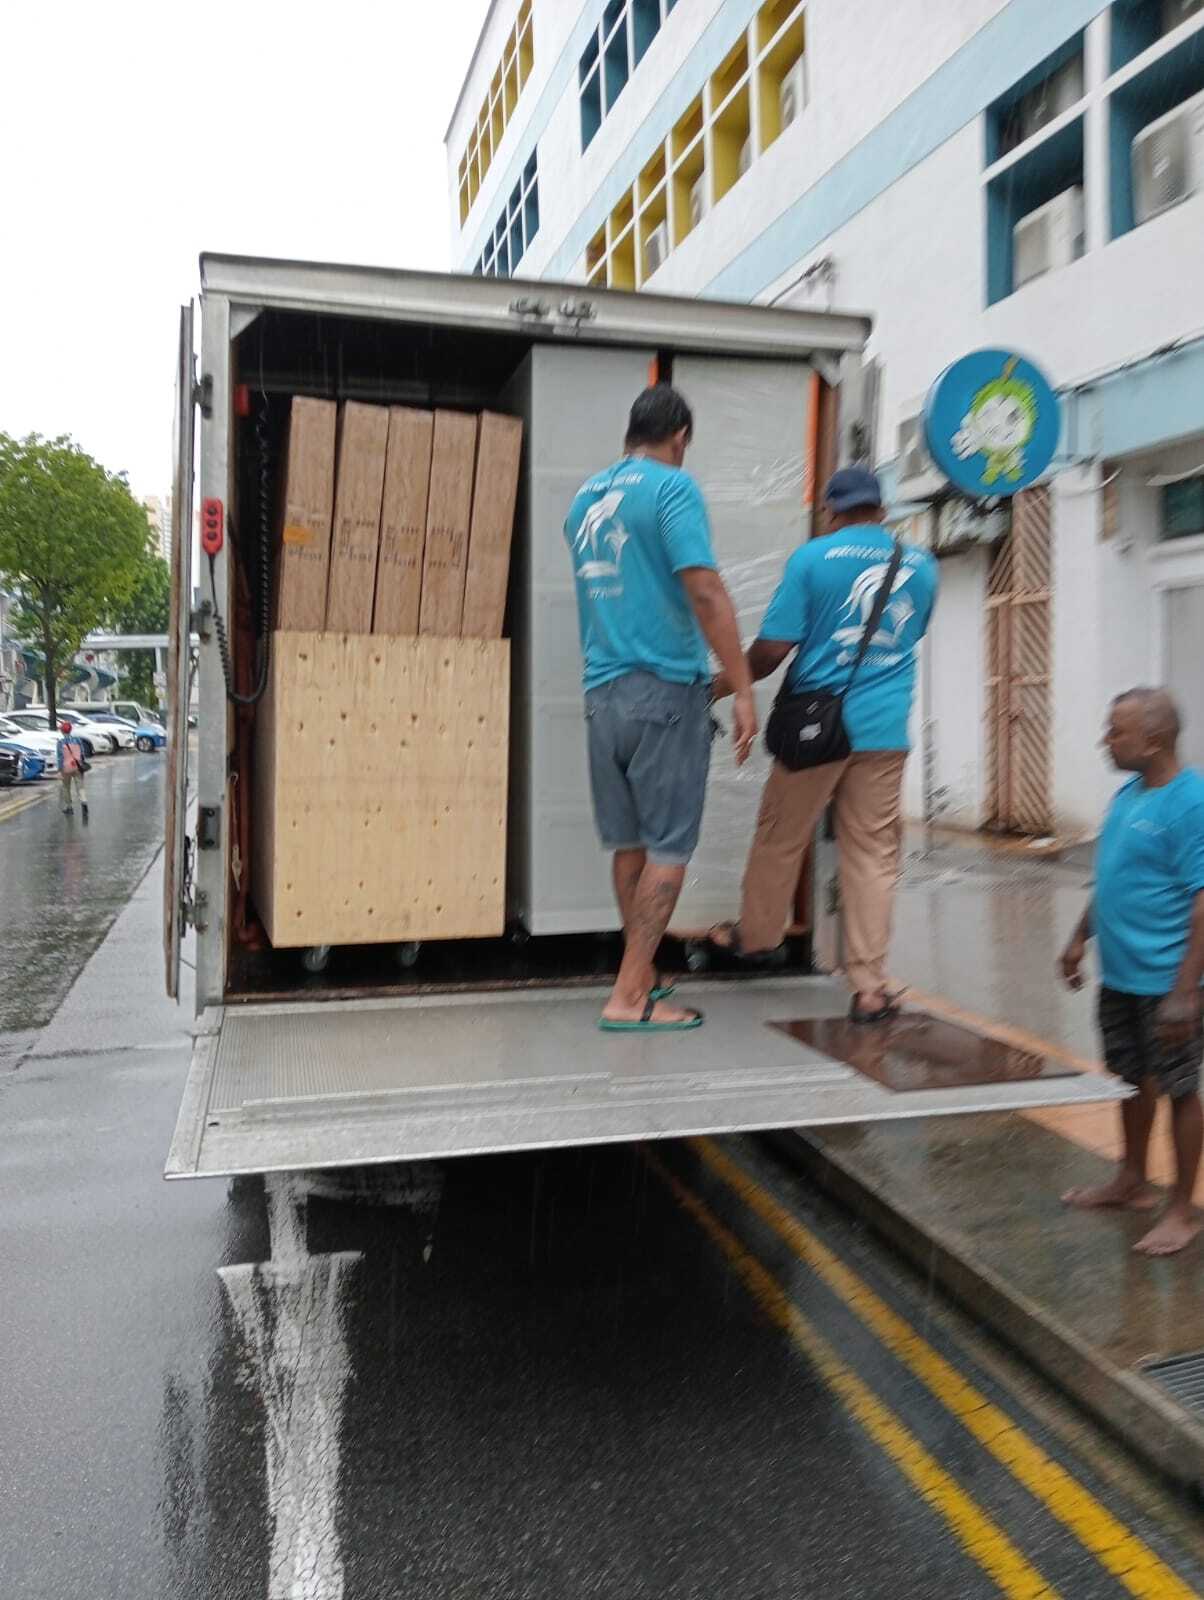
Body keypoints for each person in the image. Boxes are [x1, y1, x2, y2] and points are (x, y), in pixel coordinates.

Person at [710, 465, 938, 1022]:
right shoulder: (922, 565)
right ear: (881, 511)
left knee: (781, 836)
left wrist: (717, 687)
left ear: (831, 512)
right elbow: (912, 632)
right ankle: (869, 986)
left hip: (816, 730)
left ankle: (758, 940)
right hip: (884, 731)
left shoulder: (813, 559)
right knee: (874, 853)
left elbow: (771, 652)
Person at [565, 383, 757, 1033]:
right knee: (670, 849)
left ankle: (640, 976)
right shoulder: (672, 489)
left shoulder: (584, 499)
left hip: (603, 696)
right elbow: (704, 590)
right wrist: (744, 688)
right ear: (680, 438)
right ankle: (627, 996)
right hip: (664, 692)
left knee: (631, 845)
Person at [1059, 688, 1204, 1256]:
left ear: (1154, 741)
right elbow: (1113, 879)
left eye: (1115, 732)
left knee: (1180, 1090)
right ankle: (1131, 1180)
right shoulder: (1127, 795)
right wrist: (1077, 939)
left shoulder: (1191, 802)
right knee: (1128, 1078)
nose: (1106, 741)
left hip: (1167, 984)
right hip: (1119, 978)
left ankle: (1180, 1211)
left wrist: (1185, 990)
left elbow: (1202, 901)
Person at [58, 720, 89, 822]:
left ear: (62, 731)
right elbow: (83, 753)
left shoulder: (60, 742)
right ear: (70, 730)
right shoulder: (77, 740)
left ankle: (69, 807)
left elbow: (60, 757)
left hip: (66, 768)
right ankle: (84, 803)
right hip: (77, 766)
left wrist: (60, 769)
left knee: (66, 788)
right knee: (80, 787)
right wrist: (82, 763)